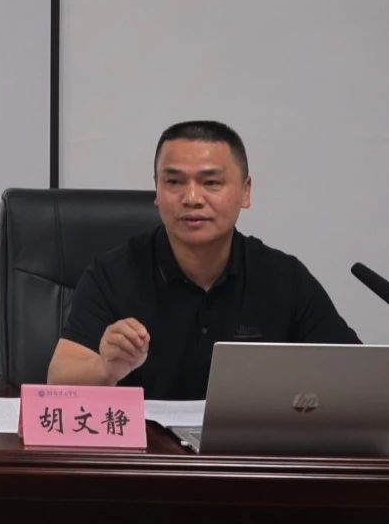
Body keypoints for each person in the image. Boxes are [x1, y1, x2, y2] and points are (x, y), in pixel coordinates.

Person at [47, 120, 359, 399]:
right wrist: (106, 369)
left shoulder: (283, 278)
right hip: (146, 446)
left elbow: (354, 377)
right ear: (156, 189)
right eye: (174, 182)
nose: (192, 198)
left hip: (247, 444)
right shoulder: (113, 273)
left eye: (211, 183)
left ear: (246, 191)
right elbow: (58, 383)